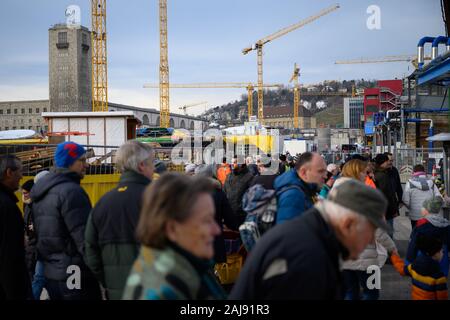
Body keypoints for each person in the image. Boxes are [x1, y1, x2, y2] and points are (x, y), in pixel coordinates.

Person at [229, 179, 390, 300]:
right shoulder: (310, 255)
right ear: (348, 223)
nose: (370, 240)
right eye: (370, 232)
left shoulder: (311, 234)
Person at [122, 173, 226, 300]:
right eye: (206, 220)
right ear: (172, 229)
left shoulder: (187, 267)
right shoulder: (164, 290)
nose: (216, 230)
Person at [31, 142, 101, 300]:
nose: (86, 165)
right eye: (81, 161)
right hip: (74, 273)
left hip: (53, 273)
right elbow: (84, 240)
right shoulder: (71, 191)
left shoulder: (43, 190)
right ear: (69, 162)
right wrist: (101, 273)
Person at [84, 141, 154, 300]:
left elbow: (90, 251)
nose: (154, 168)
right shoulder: (159, 200)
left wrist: (109, 280)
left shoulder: (103, 203)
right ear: (142, 165)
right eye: (152, 163)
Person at [0, 155, 30, 300]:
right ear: (9, 173)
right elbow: (9, 255)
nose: (22, 176)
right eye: (20, 171)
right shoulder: (6, 206)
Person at [195, 165, 240, 264]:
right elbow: (229, 218)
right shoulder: (218, 193)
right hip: (214, 238)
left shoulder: (188, 192)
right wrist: (237, 228)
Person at [274, 152, 327, 224]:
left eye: (325, 171)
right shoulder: (293, 196)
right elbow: (288, 232)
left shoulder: (304, 191)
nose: (325, 176)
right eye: (320, 171)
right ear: (303, 172)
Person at [391, 234, 448, 300]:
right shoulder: (439, 277)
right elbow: (442, 297)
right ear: (435, 254)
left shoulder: (414, 266)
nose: (443, 253)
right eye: (441, 251)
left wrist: (394, 256)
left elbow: (401, 269)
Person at [406, 196, 450, 277]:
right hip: (442, 260)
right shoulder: (446, 224)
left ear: (426, 210)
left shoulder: (421, 224)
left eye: (422, 208)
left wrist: (409, 261)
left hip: (424, 260)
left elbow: (413, 244)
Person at [29, 170, 50, 300]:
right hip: (44, 248)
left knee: (39, 278)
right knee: (39, 278)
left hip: (50, 249)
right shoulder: (38, 201)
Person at [402, 164, 442, 230]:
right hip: (429, 216)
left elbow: (405, 200)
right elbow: (438, 197)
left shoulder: (410, 183)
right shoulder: (431, 183)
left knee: (416, 234)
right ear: (424, 172)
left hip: (415, 216)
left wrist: (411, 208)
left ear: (414, 172)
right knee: (428, 234)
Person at [374, 154, 399, 237]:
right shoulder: (382, 176)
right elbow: (387, 195)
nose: (389, 162)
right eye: (387, 161)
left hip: (381, 209)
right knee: (388, 233)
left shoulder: (376, 173)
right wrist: (394, 210)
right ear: (383, 162)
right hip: (386, 210)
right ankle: (390, 249)